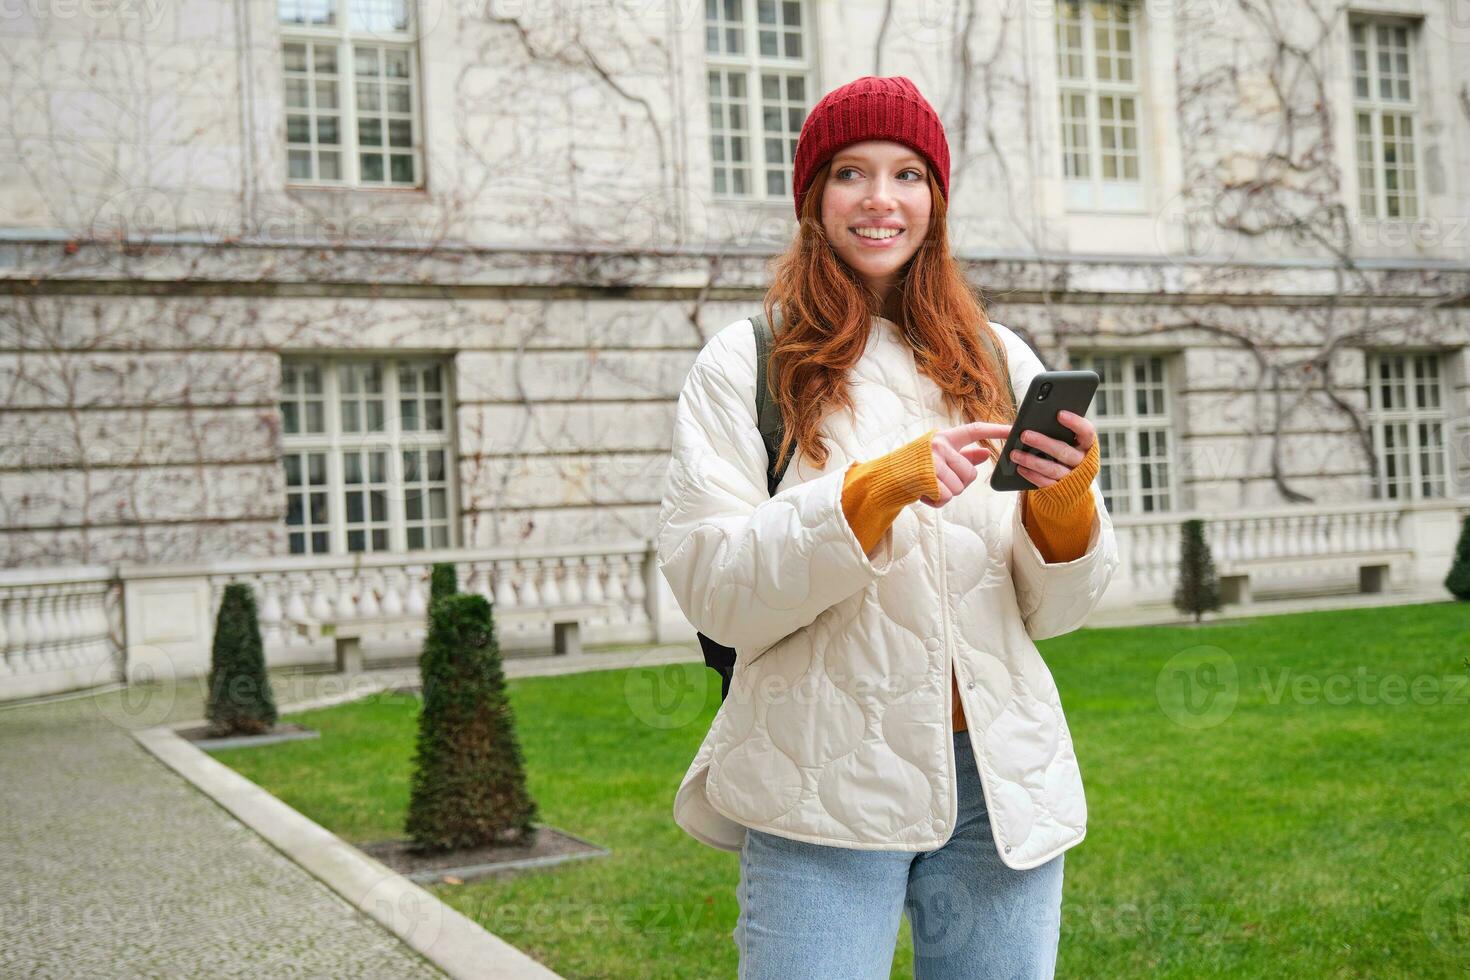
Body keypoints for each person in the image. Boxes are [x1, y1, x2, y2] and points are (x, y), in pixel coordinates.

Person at [655, 75, 1119, 979]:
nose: (880, 200)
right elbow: (716, 589)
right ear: (812, 198)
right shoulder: (747, 362)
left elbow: (1053, 613)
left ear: (935, 200)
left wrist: (1064, 508)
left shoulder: (995, 354)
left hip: (1001, 789)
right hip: (818, 784)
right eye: (850, 173)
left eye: (908, 174)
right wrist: (869, 495)